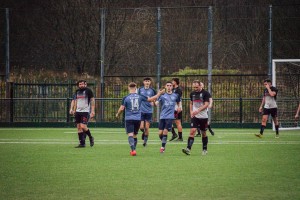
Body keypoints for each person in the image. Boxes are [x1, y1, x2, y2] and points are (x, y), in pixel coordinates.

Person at [115, 82, 163, 156]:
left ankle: (133, 150)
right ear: (136, 88)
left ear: (128, 88)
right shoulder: (140, 96)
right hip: (138, 119)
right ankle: (134, 149)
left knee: (130, 134)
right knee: (135, 135)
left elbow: (122, 108)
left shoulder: (126, 97)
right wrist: (158, 94)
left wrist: (118, 114)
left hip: (129, 119)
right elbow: (151, 99)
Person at [182, 80, 210, 156]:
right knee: (192, 131)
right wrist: (191, 111)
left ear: (200, 85)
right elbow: (191, 103)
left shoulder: (206, 93)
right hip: (195, 116)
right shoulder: (192, 93)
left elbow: (206, 104)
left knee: (203, 133)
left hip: (203, 117)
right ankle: (188, 149)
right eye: (194, 87)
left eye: (197, 87)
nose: (195, 88)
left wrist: (197, 110)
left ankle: (204, 149)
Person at [155, 81, 181, 153]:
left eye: (170, 85)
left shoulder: (175, 95)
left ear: (172, 87)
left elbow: (178, 102)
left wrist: (179, 107)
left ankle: (162, 147)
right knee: (160, 133)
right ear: (165, 87)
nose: (169, 87)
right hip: (162, 116)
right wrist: (155, 103)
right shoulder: (162, 95)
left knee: (165, 132)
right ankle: (164, 141)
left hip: (170, 117)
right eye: (167, 85)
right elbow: (156, 103)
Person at [70, 80, 95, 148]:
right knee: (78, 127)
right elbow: (74, 101)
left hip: (85, 111)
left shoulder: (88, 91)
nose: (81, 85)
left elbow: (92, 100)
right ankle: (82, 143)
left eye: (82, 84)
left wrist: (92, 111)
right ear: (78, 85)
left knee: (83, 126)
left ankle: (90, 137)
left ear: (85, 84)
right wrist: (72, 109)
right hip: (78, 111)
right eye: (80, 84)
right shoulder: (77, 91)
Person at [137, 77, 157, 147]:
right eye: (146, 81)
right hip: (141, 110)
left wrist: (154, 103)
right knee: (142, 127)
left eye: (148, 81)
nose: (147, 82)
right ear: (143, 82)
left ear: (150, 82)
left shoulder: (152, 90)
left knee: (147, 127)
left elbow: (156, 98)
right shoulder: (140, 89)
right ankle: (144, 133)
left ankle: (145, 141)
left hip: (149, 111)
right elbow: (137, 98)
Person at [169, 77, 184, 142]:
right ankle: (174, 134)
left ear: (175, 82)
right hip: (171, 107)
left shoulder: (178, 90)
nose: (172, 82)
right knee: (168, 121)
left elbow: (178, 99)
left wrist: (179, 107)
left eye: (173, 81)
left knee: (178, 122)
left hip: (176, 108)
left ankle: (180, 137)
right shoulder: (172, 89)